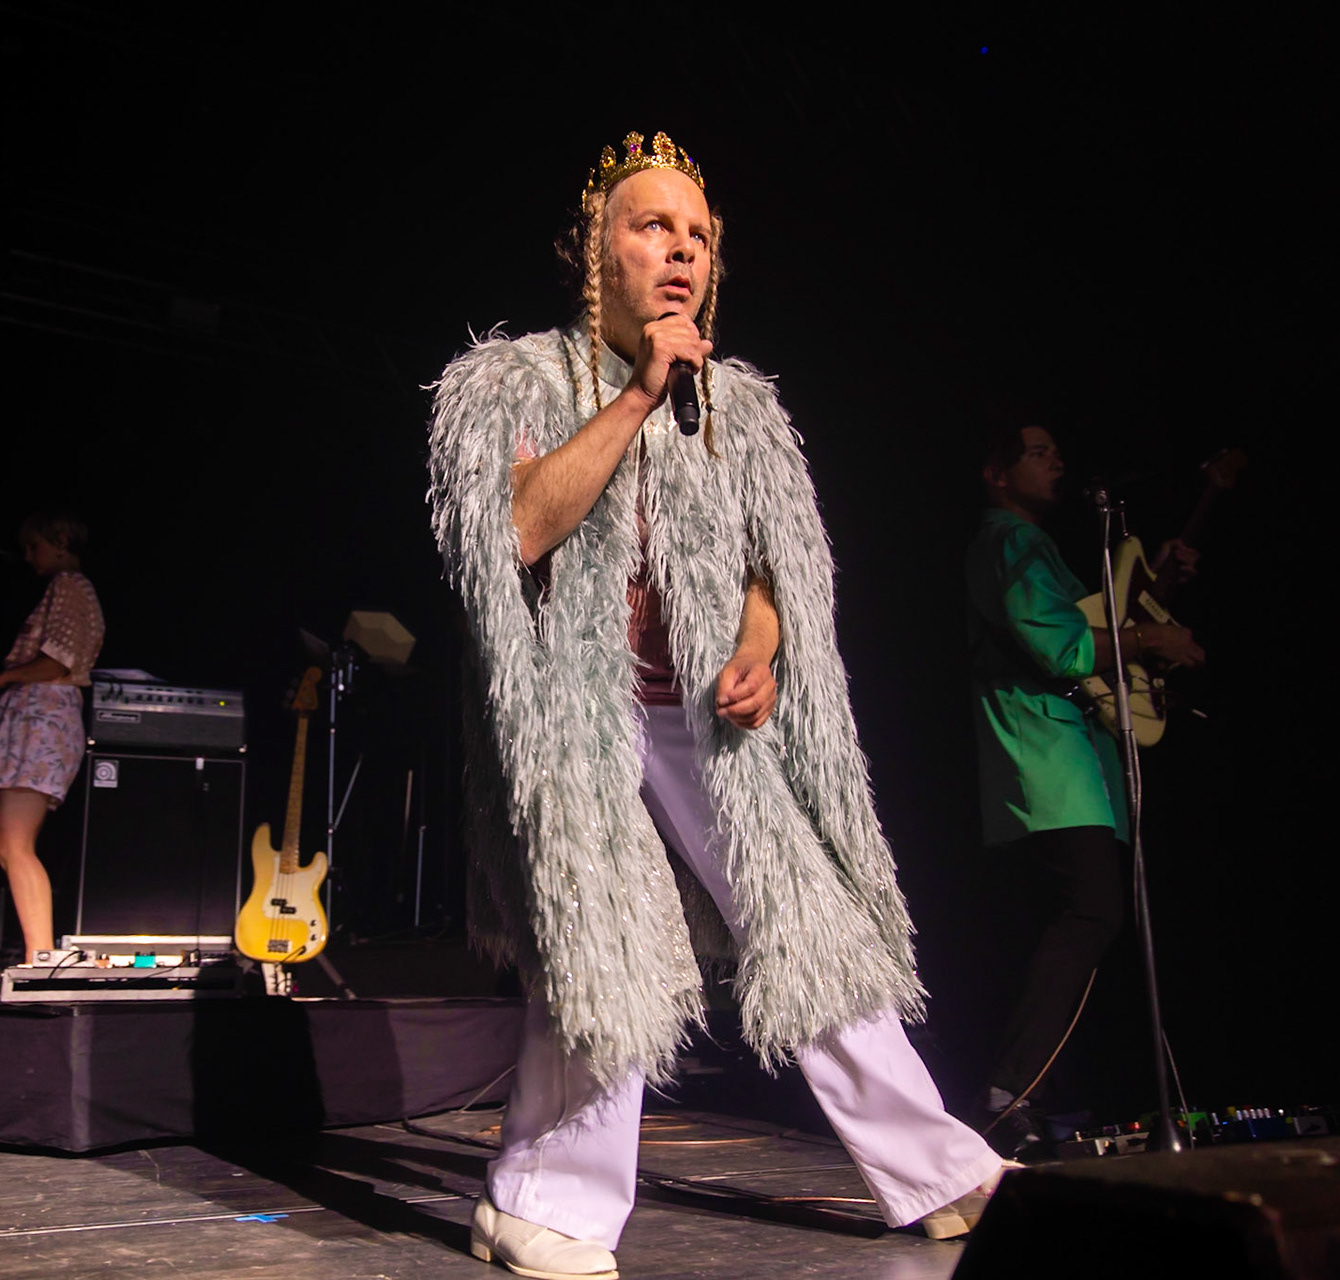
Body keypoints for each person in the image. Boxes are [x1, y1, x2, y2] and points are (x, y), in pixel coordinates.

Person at [427, 131, 1006, 1279]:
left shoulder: (737, 405)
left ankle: (938, 1169)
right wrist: (641, 391)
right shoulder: (513, 383)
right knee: (604, 940)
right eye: (654, 226)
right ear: (594, 249)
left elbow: (772, 569)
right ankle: (547, 1198)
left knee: (810, 922)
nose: (683, 250)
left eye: (698, 234)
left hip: (697, 717)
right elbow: (512, 531)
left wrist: (756, 647)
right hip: (573, 722)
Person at [965, 425, 1203, 1153]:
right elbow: (1062, 646)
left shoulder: (1038, 547)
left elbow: (1100, 625)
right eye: (1038, 452)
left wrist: (1156, 590)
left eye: (1056, 451)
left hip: (1071, 759)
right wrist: (1153, 639)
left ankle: (1037, 1095)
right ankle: (1009, 1092)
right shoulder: (1011, 540)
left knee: (1082, 917)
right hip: (1046, 757)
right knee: (1091, 910)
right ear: (997, 473)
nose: (1057, 461)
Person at [0, 511, 104, 964]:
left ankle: (41, 957)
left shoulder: (70, 586)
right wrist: (1, 689)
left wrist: (3, 678)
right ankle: (40, 955)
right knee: (7, 843)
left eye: (35, 546)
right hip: (34, 716)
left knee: (14, 842)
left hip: (43, 719)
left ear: (61, 541)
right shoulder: (66, 588)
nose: (29, 557)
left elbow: (59, 661)